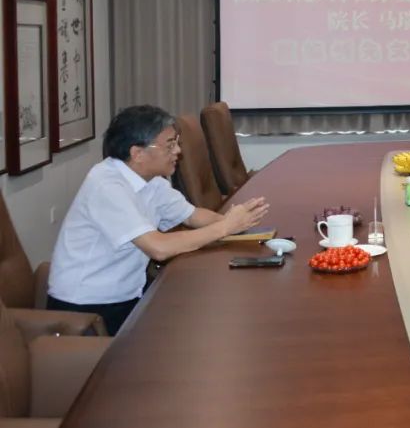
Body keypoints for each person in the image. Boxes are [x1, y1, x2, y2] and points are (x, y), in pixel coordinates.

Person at [47, 105, 270, 335]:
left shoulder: (150, 180)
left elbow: (193, 216)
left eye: (177, 143)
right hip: (86, 310)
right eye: (170, 145)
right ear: (138, 153)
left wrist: (238, 222)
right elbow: (158, 248)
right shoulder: (107, 186)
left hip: (128, 294)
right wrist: (225, 227)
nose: (178, 151)